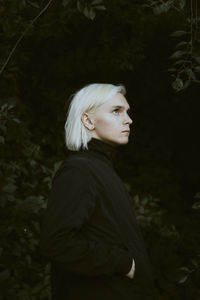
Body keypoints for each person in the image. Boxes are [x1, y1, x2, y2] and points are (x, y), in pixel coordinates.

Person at [39, 83, 156, 300]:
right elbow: (56, 242)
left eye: (127, 111)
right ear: (87, 120)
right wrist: (122, 263)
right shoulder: (79, 169)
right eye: (116, 111)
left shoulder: (101, 169)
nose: (128, 119)